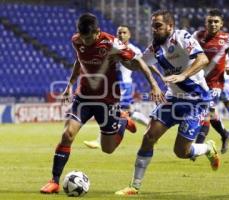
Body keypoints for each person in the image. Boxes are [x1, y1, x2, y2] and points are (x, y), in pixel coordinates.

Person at [40, 13, 164, 194]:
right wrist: (70, 85)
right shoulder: (77, 40)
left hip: (107, 100)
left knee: (108, 149)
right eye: (82, 37)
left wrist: (154, 85)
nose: (85, 41)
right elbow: (79, 61)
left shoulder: (111, 43)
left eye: (89, 38)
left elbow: (138, 61)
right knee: (67, 134)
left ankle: (122, 121)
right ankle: (55, 181)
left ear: (98, 32)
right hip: (84, 97)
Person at [115, 10, 220, 196]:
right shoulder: (155, 48)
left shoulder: (182, 37)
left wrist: (183, 75)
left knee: (181, 152)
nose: (154, 30)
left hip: (196, 101)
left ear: (170, 26)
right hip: (172, 99)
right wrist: (117, 54)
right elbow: (135, 65)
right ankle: (134, 186)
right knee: (148, 137)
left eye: (158, 26)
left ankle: (208, 148)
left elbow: (203, 59)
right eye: (152, 26)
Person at [83, 25, 150, 149]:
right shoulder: (111, 46)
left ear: (129, 35)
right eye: (119, 32)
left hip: (124, 85)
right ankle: (146, 124)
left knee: (112, 112)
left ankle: (100, 140)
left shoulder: (133, 49)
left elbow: (144, 64)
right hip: (113, 85)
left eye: (124, 32)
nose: (121, 35)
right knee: (123, 111)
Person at [193, 8, 229, 153]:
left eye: (216, 22)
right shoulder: (197, 36)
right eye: (210, 21)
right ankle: (225, 134)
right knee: (205, 113)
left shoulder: (228, 39)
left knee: (208, 110)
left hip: (216, 82)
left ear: (221, 24)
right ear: (205, 23)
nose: (213, 24)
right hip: (199, 80)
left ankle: (198, 144)